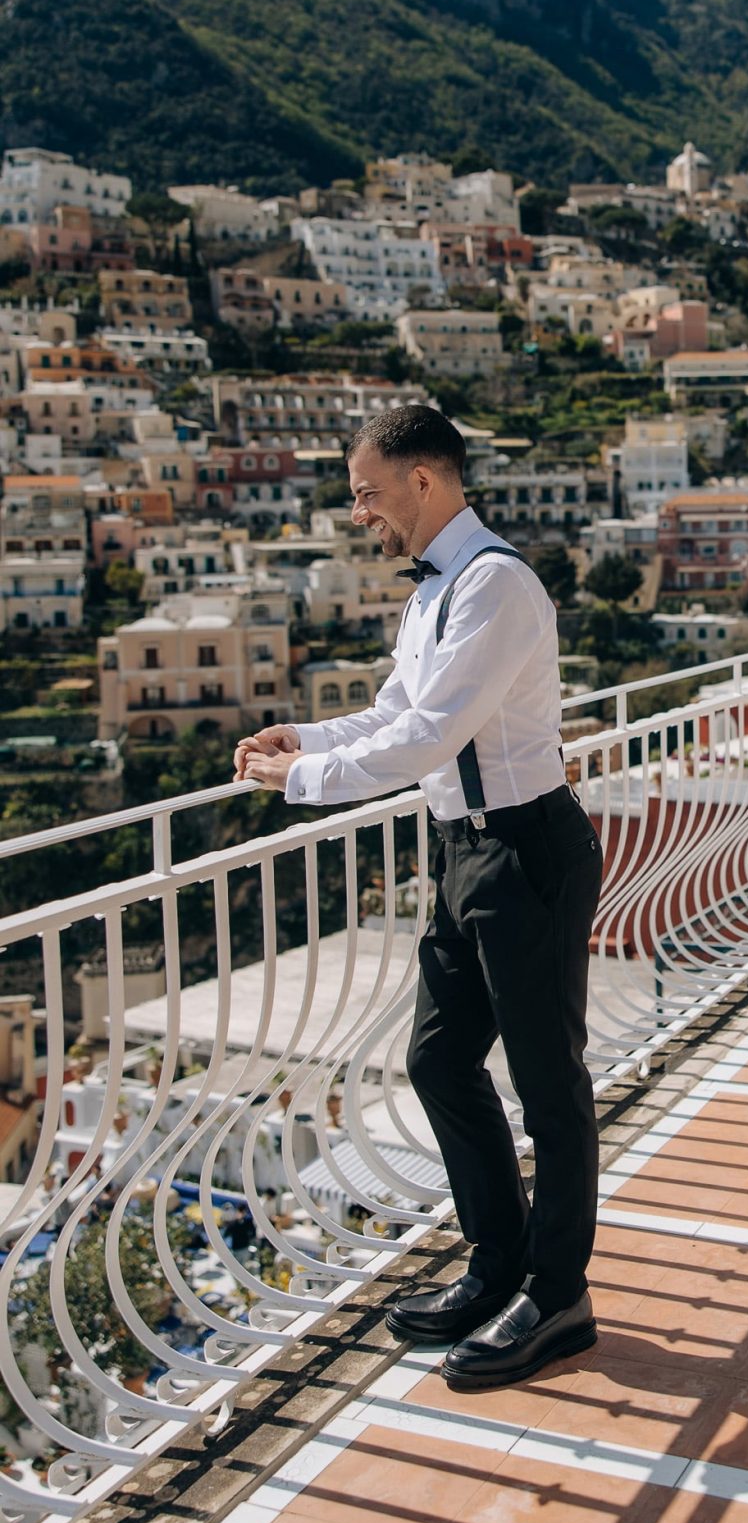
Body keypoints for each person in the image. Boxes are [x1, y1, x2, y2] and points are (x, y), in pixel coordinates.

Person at [235, 404, 603, 1388]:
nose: (360, 513)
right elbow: (396, 713)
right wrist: (305, 740)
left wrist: (298, 782)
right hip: (465, 852)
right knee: (437, 1061)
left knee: (548, 1086)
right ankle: (498, 1265)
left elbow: (430, 738)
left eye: (367, 494)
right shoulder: (434, 592)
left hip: (526, 850)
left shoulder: (496, 586)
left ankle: (557, 1296)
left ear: (424, 481)